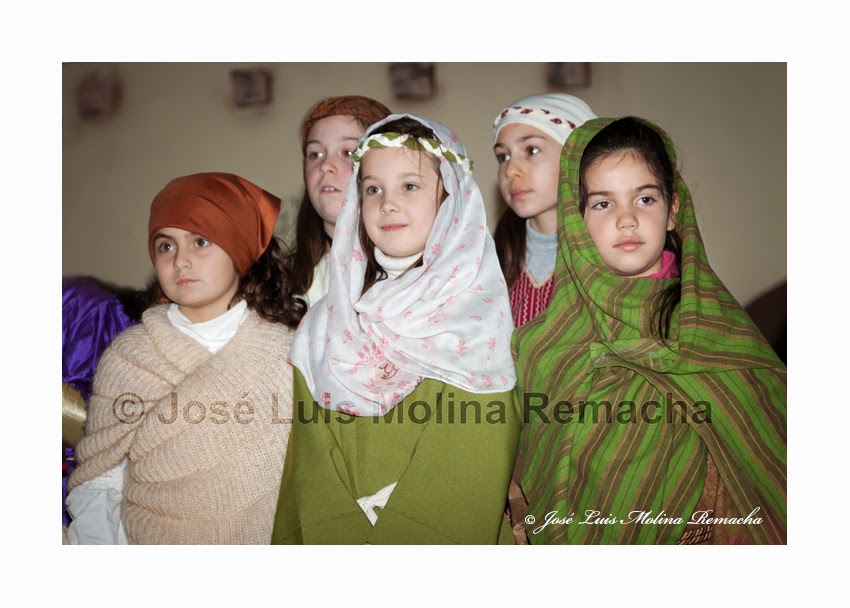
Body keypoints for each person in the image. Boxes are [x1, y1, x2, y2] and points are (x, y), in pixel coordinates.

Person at [513, 116, 787, 544]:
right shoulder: (539, 347)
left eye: (644, 199)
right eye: (602, 204)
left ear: (672, 211)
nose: (627, 220)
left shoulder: (719, 338)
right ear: (576, 219)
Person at [272, 115, 520, 544]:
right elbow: (310, 465)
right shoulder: (325, 323)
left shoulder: (478, 320)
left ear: (453, 200)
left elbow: (474, 456)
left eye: (409, 185)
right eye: (373, 189)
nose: (387, 203)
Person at [66, 172, 297, 544]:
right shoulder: (128, 357)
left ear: (238, 245)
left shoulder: (288, 354)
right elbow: (100, 481)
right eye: (165, 246)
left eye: (200, 241)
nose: (180, 261)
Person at [492, 93, 597, 326]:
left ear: (579, 157)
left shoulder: (610, 255)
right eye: (503, 156)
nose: (511, 170)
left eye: (531, 150)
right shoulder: (490, 261)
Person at [283, 95, 391, 312]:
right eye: (315, 154)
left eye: (348, 152)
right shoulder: (281, 282)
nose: (325, 165)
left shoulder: (421, 275)